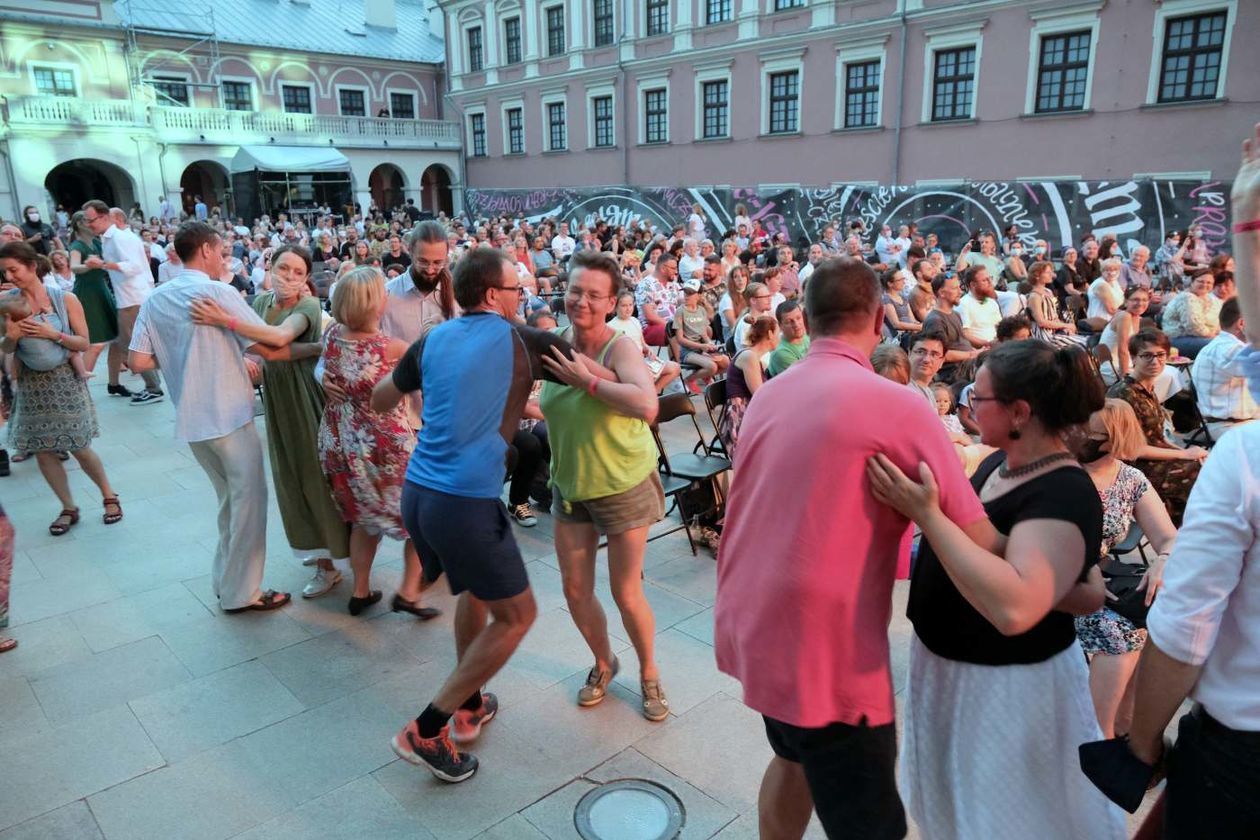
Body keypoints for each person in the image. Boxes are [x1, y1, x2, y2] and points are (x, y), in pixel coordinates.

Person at [715, 257, 983, 840]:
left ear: (807, 319)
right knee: (870, 823)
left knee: (791, 758)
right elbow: (977, 532)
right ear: (878, 317)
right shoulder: (900, 403)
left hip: (758, 621)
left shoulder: (771, 392)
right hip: (825, 647)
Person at [867, 340, 1120, 840]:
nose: (966, 404)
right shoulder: (997, 464)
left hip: (1007, 687)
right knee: (959, 804)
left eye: (978, 398)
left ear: (1019, 412)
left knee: (1006, 817)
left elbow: (1013, 609)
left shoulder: (1063, 490)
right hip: (956, 673)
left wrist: (927, 515)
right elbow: (1003, 548)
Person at [378, 248, 582, 781]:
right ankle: (428, 726)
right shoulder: (524, 339)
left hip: (419, 494)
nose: (522, 296)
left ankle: (469, 704)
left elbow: (381, 398)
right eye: (516, 289)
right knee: (518, 615)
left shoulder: (433, 338)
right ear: (494, 294)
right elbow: (591, 377)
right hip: (463, 504)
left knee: (473, 593)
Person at [128, 222, 297, 614]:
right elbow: (268, 342)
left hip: (192, 418)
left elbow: (137, 360)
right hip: (228, 414)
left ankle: (226, 581)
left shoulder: (155, 299)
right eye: (221, 250)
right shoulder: (216, 291)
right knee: (249, 502)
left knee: (229, 502)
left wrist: (182, 356)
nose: (224, 257)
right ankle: (242, 593)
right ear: (205, 249)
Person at [538, 250, 669, 721]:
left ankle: (649, 672)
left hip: (621, 484)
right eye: (575, 290)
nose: (582, 301)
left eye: (594, 294)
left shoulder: (621, 347)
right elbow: (540, 401)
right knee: (575, 589)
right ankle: (603, 661)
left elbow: (646, 405)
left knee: (625, 590)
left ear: (612, 301)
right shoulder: (550, 342)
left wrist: (587, 379)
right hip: (570, 482)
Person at [190, 244, 351, 600]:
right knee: (288, 477)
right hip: (278, 399)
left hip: (306, 398)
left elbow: (276, 339)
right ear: (270, 266)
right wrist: (308, 349)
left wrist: (225, 320)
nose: (289, 277)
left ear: (307, 277)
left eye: (298, 272)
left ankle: (330, 564)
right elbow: (260, 351)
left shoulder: (307, 305)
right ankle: (318, 548)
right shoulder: (261, 304)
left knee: (315, 477)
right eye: (284, 268)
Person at [318, 267, 439, 618]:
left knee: (364, 520)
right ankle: (409, 592)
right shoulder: (392, 348)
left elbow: (323, 368)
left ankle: (360, 591)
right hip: (385, 446)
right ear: (374, 305)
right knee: (419, 517)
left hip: (340, 443)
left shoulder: (331, 336)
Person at [0, 241, 123, 535]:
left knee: (79, 445)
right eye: (4, 273)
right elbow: (4, 349)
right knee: (43, 450)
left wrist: (52, 333)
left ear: (32, 266)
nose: (9, 277)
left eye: (14, 270)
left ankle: (109, 495)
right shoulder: (6, 306)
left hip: (64, 381)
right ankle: (68, 506)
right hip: (31, 385)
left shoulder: (64, 299)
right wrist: (12, 337)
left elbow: (83, 341)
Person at [1073, 399, 1177, 738]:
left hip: (1101, 579)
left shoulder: (1130, 479)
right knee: (1119, 633)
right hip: (1057, 582)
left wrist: (1161, 561)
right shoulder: (1061, 472)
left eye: (1093, 434)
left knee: (1152, 618)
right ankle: (1097, 736)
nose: (1081, 437)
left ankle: (1123, 729)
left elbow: (1168, 538)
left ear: (1115, 438)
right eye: (1081, 429)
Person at [1107, 329, 1206, 526]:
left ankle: (1185, 530)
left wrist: (1188, 452)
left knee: (1206, 465)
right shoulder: (1123, 394)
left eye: (1160, 355)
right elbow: (1129, 450)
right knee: (1199, 477)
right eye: (1147, 356)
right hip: (1132, 466)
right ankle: (1181, 533)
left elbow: (1157, 438)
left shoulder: (1147, 388)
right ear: (1134, 358)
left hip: (1153, 458)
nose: (1155, 361)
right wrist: (1183, 455)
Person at [83, 202, 164, 404]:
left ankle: (154, 388)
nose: (89, 224)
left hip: (133, 299)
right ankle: (152, 386)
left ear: (104, 217)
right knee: (126, 343)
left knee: (133, 345)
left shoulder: (120, 238)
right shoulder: (112, 238)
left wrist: (101, 264)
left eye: (91, 220)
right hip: (127, 297)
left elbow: (134, 266)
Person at [65, 211, 122, 387]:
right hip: (88, 294)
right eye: (86, 220)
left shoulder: (97, 242)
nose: (91, 223)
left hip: (102, 291)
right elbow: (74, 267)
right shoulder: (77, 245)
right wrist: (89, 265)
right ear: (79, 224)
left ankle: (114, 384)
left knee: (117, 340)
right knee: (95, 344)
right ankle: (80, 388)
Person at [1189, 295, 1258, 437]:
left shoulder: (1225, 345)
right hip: (1228, 427)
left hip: (1242, 424)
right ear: (1242, 324)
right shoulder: (1227, 348)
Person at [717, 314, 778, 463]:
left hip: (750, 413)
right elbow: (760, 395)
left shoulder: (755, 358)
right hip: (741, 419)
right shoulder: (749, 357)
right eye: (778, 333)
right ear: (770, 334)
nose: (780, 337)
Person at [922, 274, 980, 382]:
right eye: (954, 288)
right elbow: (940, 354)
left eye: (959, 288)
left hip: (967, 364)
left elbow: (962, 343)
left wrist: (979, 352)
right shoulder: (935, 320)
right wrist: (972, 354)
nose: (960, 292)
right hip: (953, 372)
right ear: (941, 293)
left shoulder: (955, 314)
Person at [673, 279, 729, 386]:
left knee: (727, 363)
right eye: (685, 292)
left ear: (699, 295)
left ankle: (703, 375)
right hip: (687, 353)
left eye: (690, 293)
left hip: (701, 351)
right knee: (712, 367)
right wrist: (702, 346)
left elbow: (703, 334)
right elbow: (680, 339)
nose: (686, 296)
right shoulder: (680, 311)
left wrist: (709, 344)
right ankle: (688, 380)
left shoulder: (701, 311)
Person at [1161, 269, 1222, 358]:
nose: (1205, 285)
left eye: (1209, 283)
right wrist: (1212, 335)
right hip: (1179, 339)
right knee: (1218, 346)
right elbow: (1193, 327)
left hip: (1201, 337)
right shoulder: (1187, 297)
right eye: (1201, 281)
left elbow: (1217, 322)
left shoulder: (1208, 298)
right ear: (1192, 282)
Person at [1098, 286, 1151, 384]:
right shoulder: (1124, 316)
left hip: (1128, 365)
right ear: (1126, 301)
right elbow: (1123, 351)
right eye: (1135, 299)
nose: (1140, 303)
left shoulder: (1137, 318)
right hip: (1114, 368)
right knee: (1163, 375)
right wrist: (1125, 380)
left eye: (1144, 300)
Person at [1026, 259, 1084, 346]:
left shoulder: (1048, 291)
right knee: (1083, 343)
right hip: (1045, 335)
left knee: (1086, 341)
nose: (1052, 275)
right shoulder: (1035, 296)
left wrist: (1065, 328)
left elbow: (1054, 316)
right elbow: (1041, 322)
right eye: (1048, 272)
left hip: (1056, 330)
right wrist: (1065, 326)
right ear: (1037, 276)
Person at [635, 253, 681, 347]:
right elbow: (650, 316)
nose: (676, 272)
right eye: (673, 268)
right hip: (652, 327)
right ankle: (681, 359)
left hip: (674, 324)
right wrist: (673, 326)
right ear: (663, 268)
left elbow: (684, 301)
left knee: (702, 328)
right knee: (675, 332)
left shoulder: (673, 284)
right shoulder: (646, 285)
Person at [955, 266, 1001, 348]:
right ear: (973, 285)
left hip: (996, 348)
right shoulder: (963, 304)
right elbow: (965, 335)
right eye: (984, 280)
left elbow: (999, 327)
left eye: (990, 278)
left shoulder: (992, 302)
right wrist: (989, 344)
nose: (990, 283)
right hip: (979, 353)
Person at [767, 299, 809, 377]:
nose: (796, 325)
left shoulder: (808, 337)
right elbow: (804, 379)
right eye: (789, 321)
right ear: (780, 326)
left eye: (798, 318)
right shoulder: (781, 353)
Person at [1086, 258, 1125, 332]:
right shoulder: (1101, 285)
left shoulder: (1114, 282)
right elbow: (1111, 310)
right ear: (1102, 271)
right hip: (1101, 319)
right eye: (1107, 270)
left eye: (1115, 270)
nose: (1111, 272)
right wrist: (1128, 315)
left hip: (1115, 315)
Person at [881, 267, 920, 339]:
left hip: (912, 331)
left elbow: (912, 319)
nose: (904, 282)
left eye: (903, 279)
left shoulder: (903, 297)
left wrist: (919, 326)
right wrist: (918, 327)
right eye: (900, 280)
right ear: (890, 284)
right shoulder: (886, 299)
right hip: (900, 336)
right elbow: (896, 324)